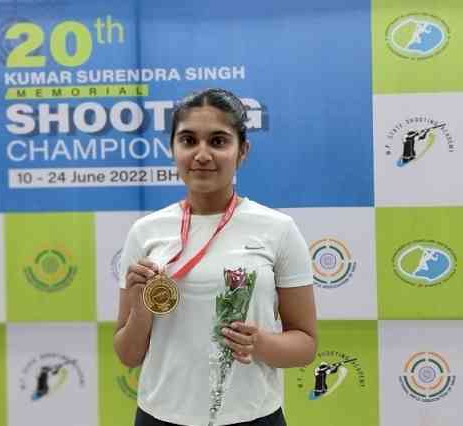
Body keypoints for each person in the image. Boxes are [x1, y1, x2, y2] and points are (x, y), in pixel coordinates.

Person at [113, 88, 317, 426]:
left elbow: (305, 345)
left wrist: (261, 343)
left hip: (252, 416)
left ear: (242, 152)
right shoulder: (146, 232)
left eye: (218, 141)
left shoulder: (278, 229)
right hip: (161, 416)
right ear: (173, 149)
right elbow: (127, 354)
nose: (202, 154)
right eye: (189, 140)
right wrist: (140, 310)